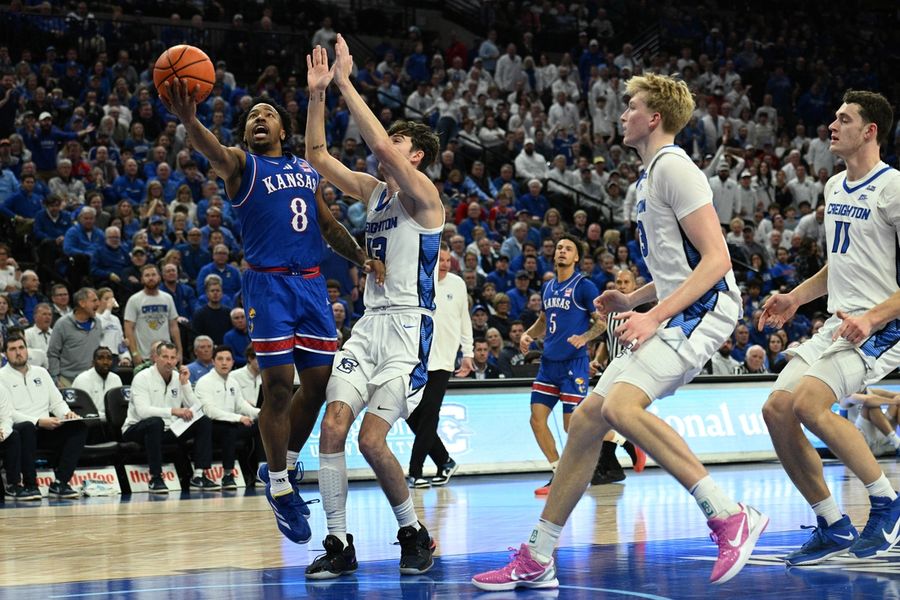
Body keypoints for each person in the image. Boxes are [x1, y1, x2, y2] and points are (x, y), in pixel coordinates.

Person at [473, 74, 766, 591]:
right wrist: (634, 300)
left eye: (630, 106)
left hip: (705, 310)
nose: (622, 112)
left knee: (620, 409)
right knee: (587, 419)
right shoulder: (644, 181)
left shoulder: (676, 168)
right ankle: (539, 554)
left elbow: (717, 260)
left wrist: (652, 316)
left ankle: (728, 514)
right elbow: (681, 268)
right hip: (678, 306)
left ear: (653, 118)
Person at [164, 53, 377, 544]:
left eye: (267, 114)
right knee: (279, 384)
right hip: (268, 284)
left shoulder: (306, 168)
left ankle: (285, 463)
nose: (259, 118)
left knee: (320, 385)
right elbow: (214, 152)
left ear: (283, 128)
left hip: (312, 284)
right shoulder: (242, 165)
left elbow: (327, 226)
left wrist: (362, 256)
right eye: (252, 116)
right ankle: (279, 483)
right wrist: (191, 122)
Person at [302, 38, 442, 579]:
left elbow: (381, 149)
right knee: (333, 427)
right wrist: (317, 96)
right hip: (369, 326)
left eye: (399, 139)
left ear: (417, 156)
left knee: (371, 440)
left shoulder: (423, 196)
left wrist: (344, 82)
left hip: (410, 330)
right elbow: (317, 157)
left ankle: (413, 531)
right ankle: (338, 542)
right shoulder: (374, 193)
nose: (387, 145)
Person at [759, 90, 900, 565]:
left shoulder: (893, 187)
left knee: (809, 403)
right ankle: (832, 522)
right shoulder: (834, 186)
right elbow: (836, 265)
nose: (832, 126)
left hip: (882, 326)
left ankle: (887, 503)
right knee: (777, 409)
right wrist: (794, 298)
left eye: (844, 118)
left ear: (870, 131)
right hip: (839, 324)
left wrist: (872, 316)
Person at [519, 235, 603, 495]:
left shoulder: (585, 286)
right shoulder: (548, 287)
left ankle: (623, 440)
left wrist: (585, 337)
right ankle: (558, 473)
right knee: (536, 420)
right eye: (559, 248)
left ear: (576, 257)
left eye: (568, 249)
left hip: (573, 364)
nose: (562, 252)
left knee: (572, 427)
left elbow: (602, 322)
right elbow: (543, 322)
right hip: (548, 364)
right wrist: (529, 335)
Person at [405, 243, 473, 488]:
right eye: (440, 259)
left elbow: (464, 320)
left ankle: (415, 471)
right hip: (416, 359)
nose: (444, 263)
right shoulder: (418, 282)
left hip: (443, 360)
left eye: (447, 259)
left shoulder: (458, 284)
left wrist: (468, 353)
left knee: (429, 415)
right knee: (410, 413)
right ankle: (444, 460)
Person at [122, 341, 219, 494]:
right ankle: (156, 478)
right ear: (155, 357)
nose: (169, 361)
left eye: (173, 357)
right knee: (155, 422)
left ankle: (199, 475)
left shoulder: (178, 377)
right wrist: (173, 411)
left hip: (168, 429)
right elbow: (142, 412)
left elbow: (197, 408)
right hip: (136, 429)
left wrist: (185, 384)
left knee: (203, 421)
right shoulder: (142, 377)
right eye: (165, 356)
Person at [1, 334, 87, 499]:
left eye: (21, 348)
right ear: (5, 354)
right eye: (12, 349)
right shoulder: (1, 377)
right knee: (26, 427)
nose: (18, 352)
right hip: (19, 430)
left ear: (27, 350)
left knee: (78, 426)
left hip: (47, 428)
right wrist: (38, 421)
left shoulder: (41, 372)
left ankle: (60, 483)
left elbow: (56, 402)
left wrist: (66, 414)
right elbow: (7, 412)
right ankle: (30, 485)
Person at [589, 268, 647, 486]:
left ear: (635, 286)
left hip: (634, 369)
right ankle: (609, 467)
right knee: (604, 416)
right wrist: (597, 360)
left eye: (626, 282)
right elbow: (606, 340)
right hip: (613, 368)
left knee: (605, 414)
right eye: (618, 282)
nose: (621, 286)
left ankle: (626, 447)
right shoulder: (611, 309)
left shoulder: (643, 308)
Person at [194, 345, 261, 490]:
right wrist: (238, 418)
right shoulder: (204, 382)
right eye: (220, 359)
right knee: (228, 428)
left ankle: (262, 471)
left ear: (232, 362)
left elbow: (242, 405)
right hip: (209, 427)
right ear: (213, 361)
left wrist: (261, 413)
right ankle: (228, 475)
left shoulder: (233, 382)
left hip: (231, 423)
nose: (224, 363)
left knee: (263, 424)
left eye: (228, 359)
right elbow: (209, 411)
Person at [123, 264, 183, 364]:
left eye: (153, 275)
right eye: (147, 275)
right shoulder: (134, 300)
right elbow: (128, 329)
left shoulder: (167, 298)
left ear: (159, 277)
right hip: (144, 357)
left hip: (166, 356)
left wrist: (179, 351)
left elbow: (174, 327)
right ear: (141, 279)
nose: (151, 278)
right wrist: (134, 354)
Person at [47, 287, 102, 387]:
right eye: (94, 300)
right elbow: (53, 353)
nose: (98, 304)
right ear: (82, 303)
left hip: (93, 379)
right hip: (68, 381)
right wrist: (55, 378)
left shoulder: (98, 323)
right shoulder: (62, 324)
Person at [839, 388, 900, 458]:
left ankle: (897, 443)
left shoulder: (872, 391)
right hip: (859, 444)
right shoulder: (846, 397)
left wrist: (896, 400)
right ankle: (897, 442)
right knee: (870, 405)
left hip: (880, 438)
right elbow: (866, 400)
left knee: (897, 401)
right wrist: (893, 401)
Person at [71, 346, 122, 422]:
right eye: (101, 358)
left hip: (111, 423)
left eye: (109, 358)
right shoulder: (82, 379)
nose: (105, 362)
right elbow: (85, 411)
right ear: (93, 362)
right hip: (88, 424)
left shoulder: (116, 379)